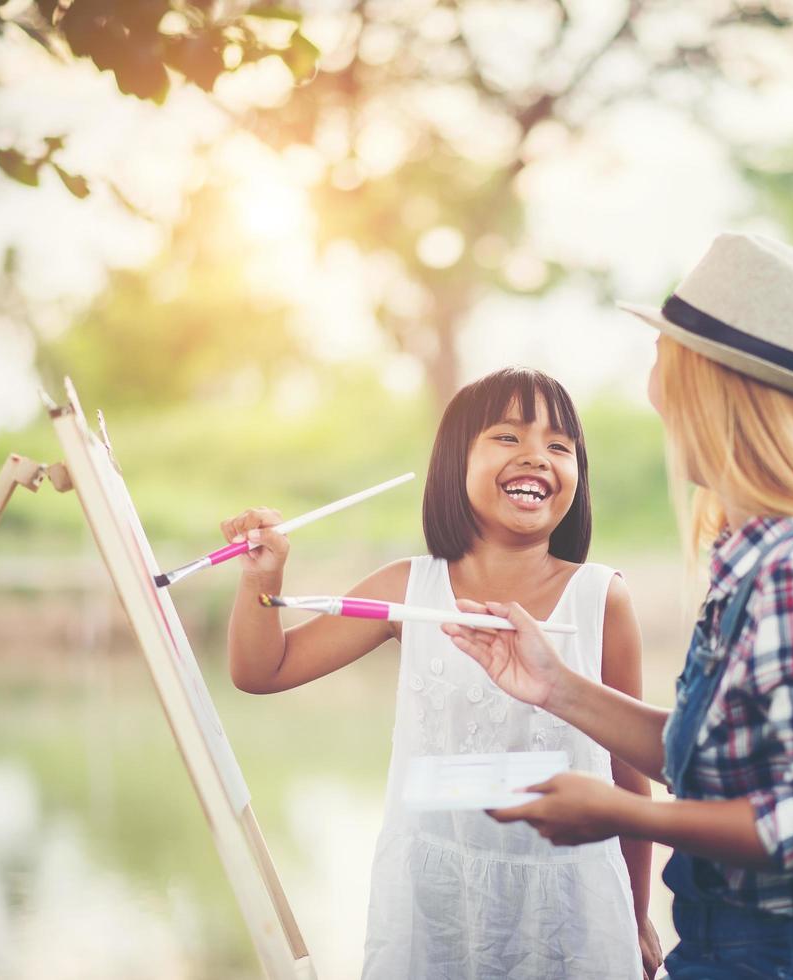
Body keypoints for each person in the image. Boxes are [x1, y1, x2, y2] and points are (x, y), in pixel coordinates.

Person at [443, 233, 793, 979]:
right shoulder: (750, 559)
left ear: (710, 385)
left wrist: (621, 813)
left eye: (666, 357)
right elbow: (719, 769)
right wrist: (557, 687)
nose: (652, 385)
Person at [222, 367, 662, 979]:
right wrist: (261, 577)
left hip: (572, 907)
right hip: (433, 904)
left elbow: (629, 779)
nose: (536, 456)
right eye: (508, 437)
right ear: (455, 462)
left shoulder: (601, 598)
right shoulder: (409, 588)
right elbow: (262, 669)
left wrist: (636, 913)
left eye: (559, 446)